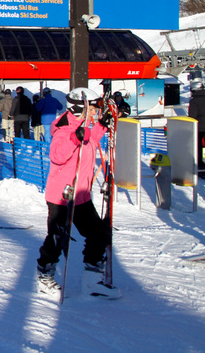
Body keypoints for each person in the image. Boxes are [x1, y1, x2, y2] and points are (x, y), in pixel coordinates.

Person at [35, 87, 120, 299]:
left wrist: (101, 125)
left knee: (98, 233)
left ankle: (92, 280)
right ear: (82, 107)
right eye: (93, 109)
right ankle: (45, 276)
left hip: (81, 194)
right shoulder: (65, 129)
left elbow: (90, 139)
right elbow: (57, 155)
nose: (94, 113)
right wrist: (75, 138)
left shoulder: (83, 125)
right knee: (57, 237)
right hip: (62, 195)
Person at [189, 79, 205, 170]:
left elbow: (192, 116)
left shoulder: (194, 101)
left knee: (198, 147)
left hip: (199, 128)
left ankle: (200, 167)